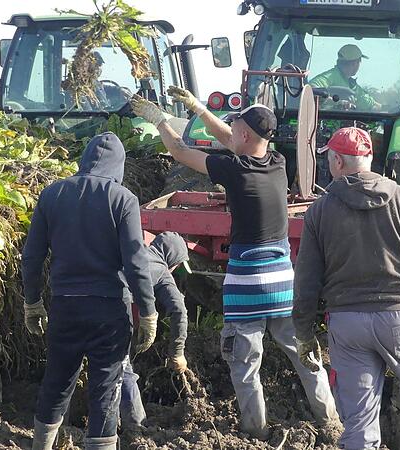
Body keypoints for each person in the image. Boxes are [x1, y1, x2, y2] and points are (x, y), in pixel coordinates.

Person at [130, 87, 339, 440]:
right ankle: (330, 422)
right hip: (283, 285)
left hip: (246, 287)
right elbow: (233, 138)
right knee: (305, 356)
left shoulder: (233, 169)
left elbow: (181, 152)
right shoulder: (277, 163)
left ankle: (256, 433)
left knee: (244, 365)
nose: (232, 132)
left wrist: (161, 121)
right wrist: (197, 110)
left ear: (244, 133)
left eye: (236, 126)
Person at [292, 127, 400, 450]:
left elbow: (306, 281)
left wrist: (303, 333)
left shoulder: (319, 211)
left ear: (336, 161)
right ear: (370, 158)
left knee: (359, 420)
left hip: (347, 327)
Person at [21, 133, 159, 450]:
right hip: (110, 311)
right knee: (104, 389)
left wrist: (33, 303)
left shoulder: (53, 194)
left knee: (57, 382)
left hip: (65, 308)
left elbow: (31, 257)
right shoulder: (123, 199)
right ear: (119, 166)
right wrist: (148, 311)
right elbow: (136, 262)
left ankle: (41, 446)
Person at [120, 231, 191, 430]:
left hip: (83, 298)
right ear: (172, 259)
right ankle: (136, 427)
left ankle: (56, 424)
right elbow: (179, 310)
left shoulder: (135, 251)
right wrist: (177, 353)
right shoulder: (162, 270)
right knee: (122, 366)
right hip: (113, 307)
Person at [309, 44, 380, 111]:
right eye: (359, 62)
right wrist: (338, 102)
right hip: (326, 120)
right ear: (355, 63)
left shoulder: (352, 84)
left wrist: (382, 107)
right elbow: (311, 89)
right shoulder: (332, 76)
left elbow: (368, 103)